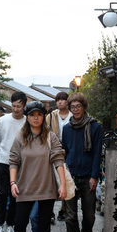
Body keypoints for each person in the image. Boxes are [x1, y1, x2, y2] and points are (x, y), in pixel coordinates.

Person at [8, 101, 66, 232]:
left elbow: (58, 160)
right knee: (19, 223)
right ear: (27, 117)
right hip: (24, 187)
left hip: (46, 187)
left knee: (43, 226)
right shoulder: (21, 137)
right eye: (32, 115)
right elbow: (13, 161)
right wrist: (12, 183)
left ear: (43, 117)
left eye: (39, 115)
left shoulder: (51, 137)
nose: (35, 118)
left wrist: (62, 184)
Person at [61, 92, 102, 232]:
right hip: (71, 175)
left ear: (84, 107)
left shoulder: (95, 126)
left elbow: (97, 153)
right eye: (72, 107)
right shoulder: (67, 128)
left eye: (78, 106)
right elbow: (64, 151)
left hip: (87, 176)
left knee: (89, 215)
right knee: (70, 215)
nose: (75, 109)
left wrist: (94, 176)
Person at [0, 92, 27, 232]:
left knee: (15, 195)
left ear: (24, 106)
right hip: (2, 161)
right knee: (2, 195)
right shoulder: (3, 120)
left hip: (20, 163)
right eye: (13, 106)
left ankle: (10, 224)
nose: (16, 109)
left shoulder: (27, 121)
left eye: (19, 106)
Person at [46, 91, 72, 221]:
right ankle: (49, 211)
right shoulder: (51, 116)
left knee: (66, 178)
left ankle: (63, 208)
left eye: (63, 99)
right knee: (52, 180)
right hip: (53, 150)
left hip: (69, 151)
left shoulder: (73, 115)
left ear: (68, 101)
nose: (60, 102)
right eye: (58, 100)